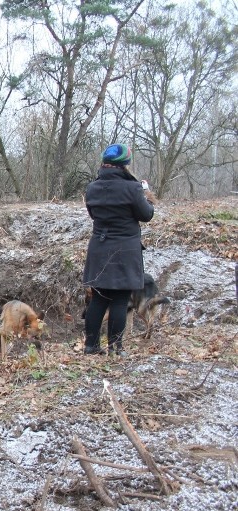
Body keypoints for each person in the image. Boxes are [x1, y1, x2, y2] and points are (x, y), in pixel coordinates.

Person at [82, 143, 156, 355]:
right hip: (124, 249)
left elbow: (93, 214)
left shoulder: (92, 188)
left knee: (99, 298)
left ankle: (91, 346)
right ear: (125, 165)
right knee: (120, 300)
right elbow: (147, 215)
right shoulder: (132, 188)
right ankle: (116, 348)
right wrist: (146, 194)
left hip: (99, 247)